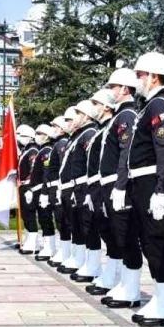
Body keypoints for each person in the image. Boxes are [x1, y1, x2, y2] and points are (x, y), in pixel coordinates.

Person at [108, 52, 164, 318]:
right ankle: (162, 299)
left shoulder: (159, 106)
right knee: (148, 242)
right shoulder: (149, 106)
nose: (137, 80)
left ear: (154, 76)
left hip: (151, 181)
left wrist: (161, 188)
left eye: (140, 75)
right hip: (140, 181)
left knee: (156, 241)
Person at [92, 69, 139, 299]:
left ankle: (130, 288)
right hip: (109, 184)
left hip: (118, 184)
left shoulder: (126, 116)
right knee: (118, 235)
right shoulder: (120, 116)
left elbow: (126, 153)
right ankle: (124, 284)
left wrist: (120, 185)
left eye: (113, 86)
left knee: (125, 235)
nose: (110, 90)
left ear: (125, 89)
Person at [78, 89, 117, 283]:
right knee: (102, 228)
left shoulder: (107, 127)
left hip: (108, 185)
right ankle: (110, 273)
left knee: (113, 232)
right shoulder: (100, 130)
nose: (93, 107)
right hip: (95, 185)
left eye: (96, 103)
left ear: (107, 106)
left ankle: (116, 276)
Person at [62, 102, 99, 278]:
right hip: (76, 185)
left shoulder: (89, 133)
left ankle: (92, 265)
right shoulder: (79, 136)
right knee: (77, 224)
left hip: (84, 185)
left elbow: (90, 163)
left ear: (86, 115)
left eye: (78, 113)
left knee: (88, 225)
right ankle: (81, 260)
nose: (74, 119)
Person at [47, 116, 72, 267]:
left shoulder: (62, 143)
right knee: (60, 220)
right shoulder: (58, 144)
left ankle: (66, 251)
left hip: (60, 186)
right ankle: (65, 250)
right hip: (55, 186)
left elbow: (62, 168)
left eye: (56, 126)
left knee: (63, 221)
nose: (53, 129)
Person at [32, 124, 57, 262]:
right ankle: (48, 246)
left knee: (46, 218)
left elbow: (46, 173)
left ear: (47, 135)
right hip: (39, 189)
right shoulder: (42, 150)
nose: (37, 136)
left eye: (40, 133)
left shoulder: (47, 150)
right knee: (43, 219)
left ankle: (50, 247)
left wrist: (44, 192)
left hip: (44, 189)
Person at [16, 125, 40, 253]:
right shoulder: (26, 150)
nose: (19, 138)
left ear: (30, 137)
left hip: (29, 186)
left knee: (30, 214)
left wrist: (30, 188)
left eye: (22, 135)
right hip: (24, 185)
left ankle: (33, 244)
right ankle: (28, 240)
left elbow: (33, 169)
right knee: (25, 214)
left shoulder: (33, 150)